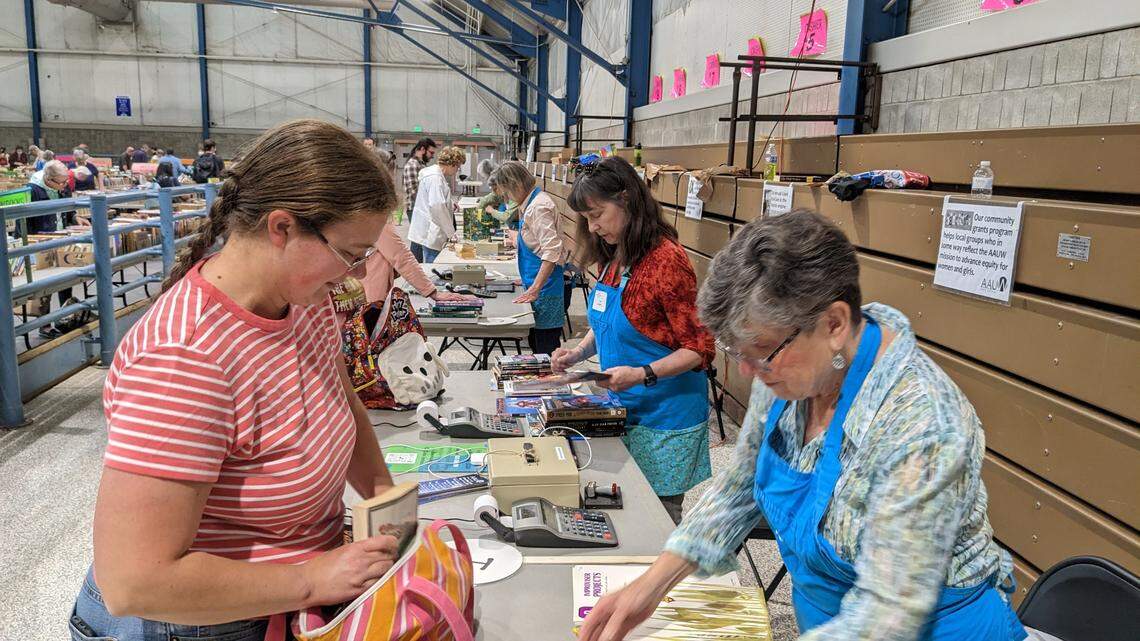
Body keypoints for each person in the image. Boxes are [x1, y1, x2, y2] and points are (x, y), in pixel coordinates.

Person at [578, 210, 1033, 641]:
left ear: (833, 323)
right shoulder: (792, 371)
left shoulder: (922, 423)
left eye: (760, 352)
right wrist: (653, 584)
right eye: (739, 354)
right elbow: (738, 489)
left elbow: (888, 612)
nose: (748, 373)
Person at [71, 119, 403, 641]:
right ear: (282, 228)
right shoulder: (186, 358)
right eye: (350, 254)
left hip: (284, 598)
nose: (358, 274)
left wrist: (385, 494)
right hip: (199, 622)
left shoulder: (302, 300)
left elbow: (339, 398)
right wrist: (308, 580)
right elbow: (134, 582)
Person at [552, 157, 713, 523]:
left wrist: (642, 374)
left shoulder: (666, 262)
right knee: (623, 512)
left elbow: (699, 348)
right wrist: (578, 352)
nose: (592, 228)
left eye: (597, 215)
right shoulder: (615, 255)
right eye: (586, 220)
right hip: (623, 406)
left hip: (664, 417)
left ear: (625, 199)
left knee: (656, 518)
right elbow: (608, 321)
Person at [491, 161, 566, 355]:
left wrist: (535, 287)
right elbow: (536, 245)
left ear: (515, 185)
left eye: (507, 192)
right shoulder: (530, 203)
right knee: (535, 345)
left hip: (546, 289)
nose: (507, 197)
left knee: (546, 350)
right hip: (536, 284)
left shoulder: (538, 207)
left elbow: (552, 251)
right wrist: (525, 280)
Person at [26, 160, 78, 338]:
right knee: (45, 286)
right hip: (42, 240)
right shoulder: (33, 190)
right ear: (48, 178)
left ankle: (66, 317)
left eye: (66, 182)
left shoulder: (63, 186)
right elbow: (25, 222)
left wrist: (74, 217)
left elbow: (69, 207)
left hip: (62, 236)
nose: (64, 186)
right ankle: (45, 325)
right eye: (61, 183)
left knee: (66, 280)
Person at [406, 145, 464, 263]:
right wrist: (451, 233)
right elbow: (437, 206)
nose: (457, 170)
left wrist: (450, 203)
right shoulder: (435, 178)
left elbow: (436, 198)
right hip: (431, 231)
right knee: (434, 266)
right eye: (457, 167)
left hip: (430, 227)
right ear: (452, 164)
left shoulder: (435, 175)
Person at [401, 137, 436, 223]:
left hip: (422, 209)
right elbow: (414, 192)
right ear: (423, 149)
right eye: (431, 152)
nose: (432, 156)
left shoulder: (422, 164)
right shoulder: (412, 165)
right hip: (416, 210)